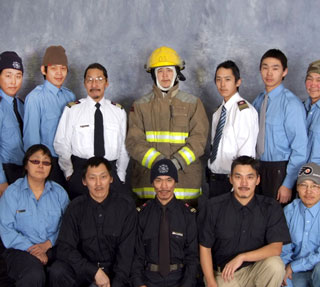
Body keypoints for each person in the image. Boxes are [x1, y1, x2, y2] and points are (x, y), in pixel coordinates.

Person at [199, 156, 291, 287]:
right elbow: (204, 248)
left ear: (257, 180)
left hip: (255, 271)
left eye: (250, 177)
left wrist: (242, 257)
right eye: (238, 176)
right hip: (223, 274)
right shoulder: (213, 207)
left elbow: (276, 248)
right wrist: (212, 286)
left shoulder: (270, 207)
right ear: (230, 179)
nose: (244, 183)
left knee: (276, 265)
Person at [49, 157, 136, 287]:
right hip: (84, 269)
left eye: (103, 177)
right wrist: (93, 271)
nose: (98, 184)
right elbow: (64, 248)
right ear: (84, 181)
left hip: (113, 272)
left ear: (111, 178)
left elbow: (127, 253)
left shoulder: (126, 207)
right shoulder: (75, 207)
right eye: (92, 178)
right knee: (58, 271)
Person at [126, 46, 209, 204]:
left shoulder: (193, 104)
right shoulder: (139, 105)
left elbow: (199, 140)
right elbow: (134, 142)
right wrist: (159, 163)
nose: (165, 76)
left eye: (169, 70)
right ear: (153, 74)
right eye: (160, 71)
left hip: (185, 188)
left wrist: (176, 163)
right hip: (148, 188)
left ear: (177, 73)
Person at [0, 144, 69, 287]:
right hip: (20, 250)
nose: (41, 166)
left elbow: (67, 225)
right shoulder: (13, 192)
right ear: (26, 165)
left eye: (46, 163)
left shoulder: (59, 192)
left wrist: (48, 244)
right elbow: (6, 229)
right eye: (36, 161)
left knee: (61, 271)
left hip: (53, 246)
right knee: (33, 273)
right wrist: (33, 249)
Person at [126, 159, 201, 287]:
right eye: (158, 181)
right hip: (149, 280)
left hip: (179, 280)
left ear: (175, 182)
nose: (164, 187)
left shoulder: (188, 216)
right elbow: (136, 256)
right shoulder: (141, 215)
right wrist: (139, 285)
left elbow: (193, 257)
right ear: (152, 183)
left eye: (169, 180)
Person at [54, 63, 129, 199]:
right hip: (80, 172)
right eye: (90, 80)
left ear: (106, 83)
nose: (94, 84)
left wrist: (121, 175)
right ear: (84, 83)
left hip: (110, 173)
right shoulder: (72, 110)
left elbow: (124, 147)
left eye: (99, 79)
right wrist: (69, 172)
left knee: (113, 216)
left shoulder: (118, 111)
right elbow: (61, 143)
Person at [253, 49, 308, 204]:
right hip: (257, 168)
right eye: (265, 67)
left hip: (280, 171)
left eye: (275, 68)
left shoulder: (291, 104)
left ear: (284, 72)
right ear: (260, 70)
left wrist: (288, 183)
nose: (269, 73)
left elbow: (300, 149)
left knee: (276, 221)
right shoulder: (258, 101)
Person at [271, 162, 320, 287]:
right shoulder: (289, 212)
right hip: (297, 275)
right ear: (297, 188)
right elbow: (283, 251)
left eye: (314, 186)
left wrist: (294, 266)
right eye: (303, 185)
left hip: (315, 270)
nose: (309, 191)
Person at [23, 45, 75, 187]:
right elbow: (31, 140)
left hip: (69, 162)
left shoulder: (70, 96)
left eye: (63, 68)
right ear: (43, 70)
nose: (59, 73)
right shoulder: (35, 98)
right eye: (53, 68)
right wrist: (38, 167)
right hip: (47, 163)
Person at [207, 60, 258, 198]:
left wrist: (238, 187)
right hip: (214, 179)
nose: (222, 84)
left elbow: (246, 154)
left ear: (238, 82)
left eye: (227, 79)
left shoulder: (244, 111)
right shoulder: (218, 112)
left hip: (232, 183)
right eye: (218, 80)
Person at [0, 51, 25, 194]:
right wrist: (1, 181)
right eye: (8, 75)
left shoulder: (22, 105)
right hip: (5, 171)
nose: (13, 81)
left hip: (23, 172)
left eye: (18, 76)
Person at [304, 60, 320, 164]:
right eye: (310, 79)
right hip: (297, 175)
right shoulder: (298, 108)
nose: (313, 84)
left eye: (319, 80)